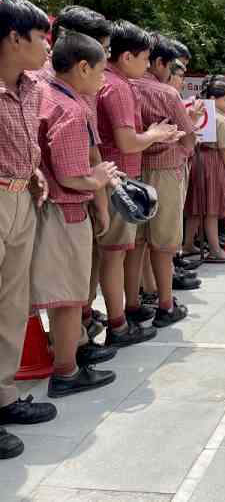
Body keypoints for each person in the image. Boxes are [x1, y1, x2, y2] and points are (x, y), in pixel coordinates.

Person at [32, 32, 119, 397]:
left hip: (46, 207)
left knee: (60, 292)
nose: (104, 78)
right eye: (101, 69)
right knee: (69, 297)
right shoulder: (68, 109)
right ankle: (66, 372)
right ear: (82, 67)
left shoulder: (41, 93)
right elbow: (72, 175)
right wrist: (98, 180)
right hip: (66, 211)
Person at [0, 0, 58, 461]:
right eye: (41, 37)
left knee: (12, 304)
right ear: (14, 37)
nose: (47, 47)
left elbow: (25, 143)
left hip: (22, 198)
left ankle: (3, 396)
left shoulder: (32, 86)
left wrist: (34, 169)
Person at [97, 20, 177, 346]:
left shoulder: (113, 83)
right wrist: (156, 134)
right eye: (145, 59)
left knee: (120, 251)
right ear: (128, 56)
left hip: (115, 175)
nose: (148, 66)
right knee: (114, 253)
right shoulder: (116, 88)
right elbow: (128, 143)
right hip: (117, 179)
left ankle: (123, 312)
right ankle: (118, 326)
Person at [130, 34, 197, 327]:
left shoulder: (122, 86)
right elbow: (189, 135)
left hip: (131, 170)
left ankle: (133, 304)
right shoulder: (166, 93)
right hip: (166, 169)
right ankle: (165, 305)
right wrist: (183, 149)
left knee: (135, 243)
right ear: (158, 62)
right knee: (164, 242)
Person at [184, 75, 225, 262]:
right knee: (212, 209)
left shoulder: (197, 113)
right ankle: (215, 250)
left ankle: (187, 245)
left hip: (196, 160)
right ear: (213, 99)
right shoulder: (221, 120)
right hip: (213, 164)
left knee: (196, 207)